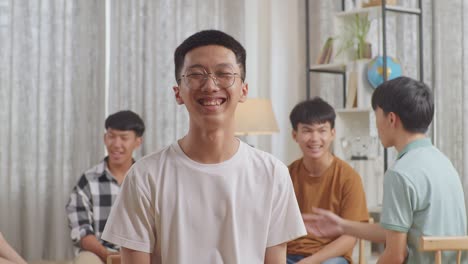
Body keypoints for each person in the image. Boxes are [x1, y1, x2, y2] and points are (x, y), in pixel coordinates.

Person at [101, 29, 307, 264]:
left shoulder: (273, 173)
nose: (210, 85)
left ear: (243, 90)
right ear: (178, 93)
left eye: (224, 74)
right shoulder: (145, 177)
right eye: (196, 74)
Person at [303, 76, 467, 263]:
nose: (376, 125)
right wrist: (342, 226)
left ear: (391, 119)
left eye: (376, 116)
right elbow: (396, 231)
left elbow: (395, 256)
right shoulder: (443, 162)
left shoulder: (401, 173)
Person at [286, 97, 369, 264]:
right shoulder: (286, 174)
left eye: (322, 130)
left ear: (333, 134)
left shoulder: (348, 177)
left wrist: (310, 262)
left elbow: (350, 237)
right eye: (307, 130)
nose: (315, 138)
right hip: (288, 255)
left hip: (330, 258)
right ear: (295, 135)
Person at [66, 110, 145, 264]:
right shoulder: (88, 180)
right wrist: (108, 255)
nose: (116, 144)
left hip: (140, 254)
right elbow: (81, 230)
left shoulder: (146, 179)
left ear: (137, 142)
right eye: (111, 136)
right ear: (104, 138)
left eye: (124, 138)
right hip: (99, 253)